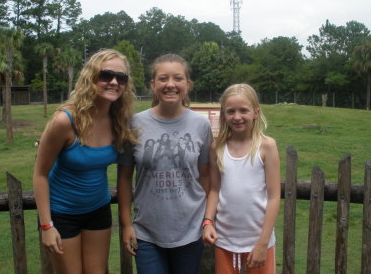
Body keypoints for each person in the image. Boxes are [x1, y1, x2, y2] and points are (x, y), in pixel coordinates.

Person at [33, 49, 138, 274]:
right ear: (91, 78)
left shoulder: (119, 121)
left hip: (98, 210)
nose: (113, 82)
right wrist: (46, 225)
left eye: (121, 78)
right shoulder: (65, 121)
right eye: (106, 75)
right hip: (62, 213)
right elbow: (40, 174)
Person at [118, 53, 213, 274]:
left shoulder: (201, 125)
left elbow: (206, 176)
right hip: (147, 232)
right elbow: (123, 177)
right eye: (163, 78)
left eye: (178, 78)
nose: (170, 84)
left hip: (191, 230)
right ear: (153, 85)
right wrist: (126, 224)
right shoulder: (133, 124)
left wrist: (206, 219)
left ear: (187, 84)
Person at [203, 83, 281, 274]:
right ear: (223, 114)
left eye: (243, 110)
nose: (237, 117)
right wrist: (207, 222)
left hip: (258, 241)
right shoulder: (217, 148)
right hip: (225, 240)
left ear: (256, 112)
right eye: (231, 111)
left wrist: (263, 243)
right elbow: (214, 189)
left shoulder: (266, 146)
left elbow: (273, 196)